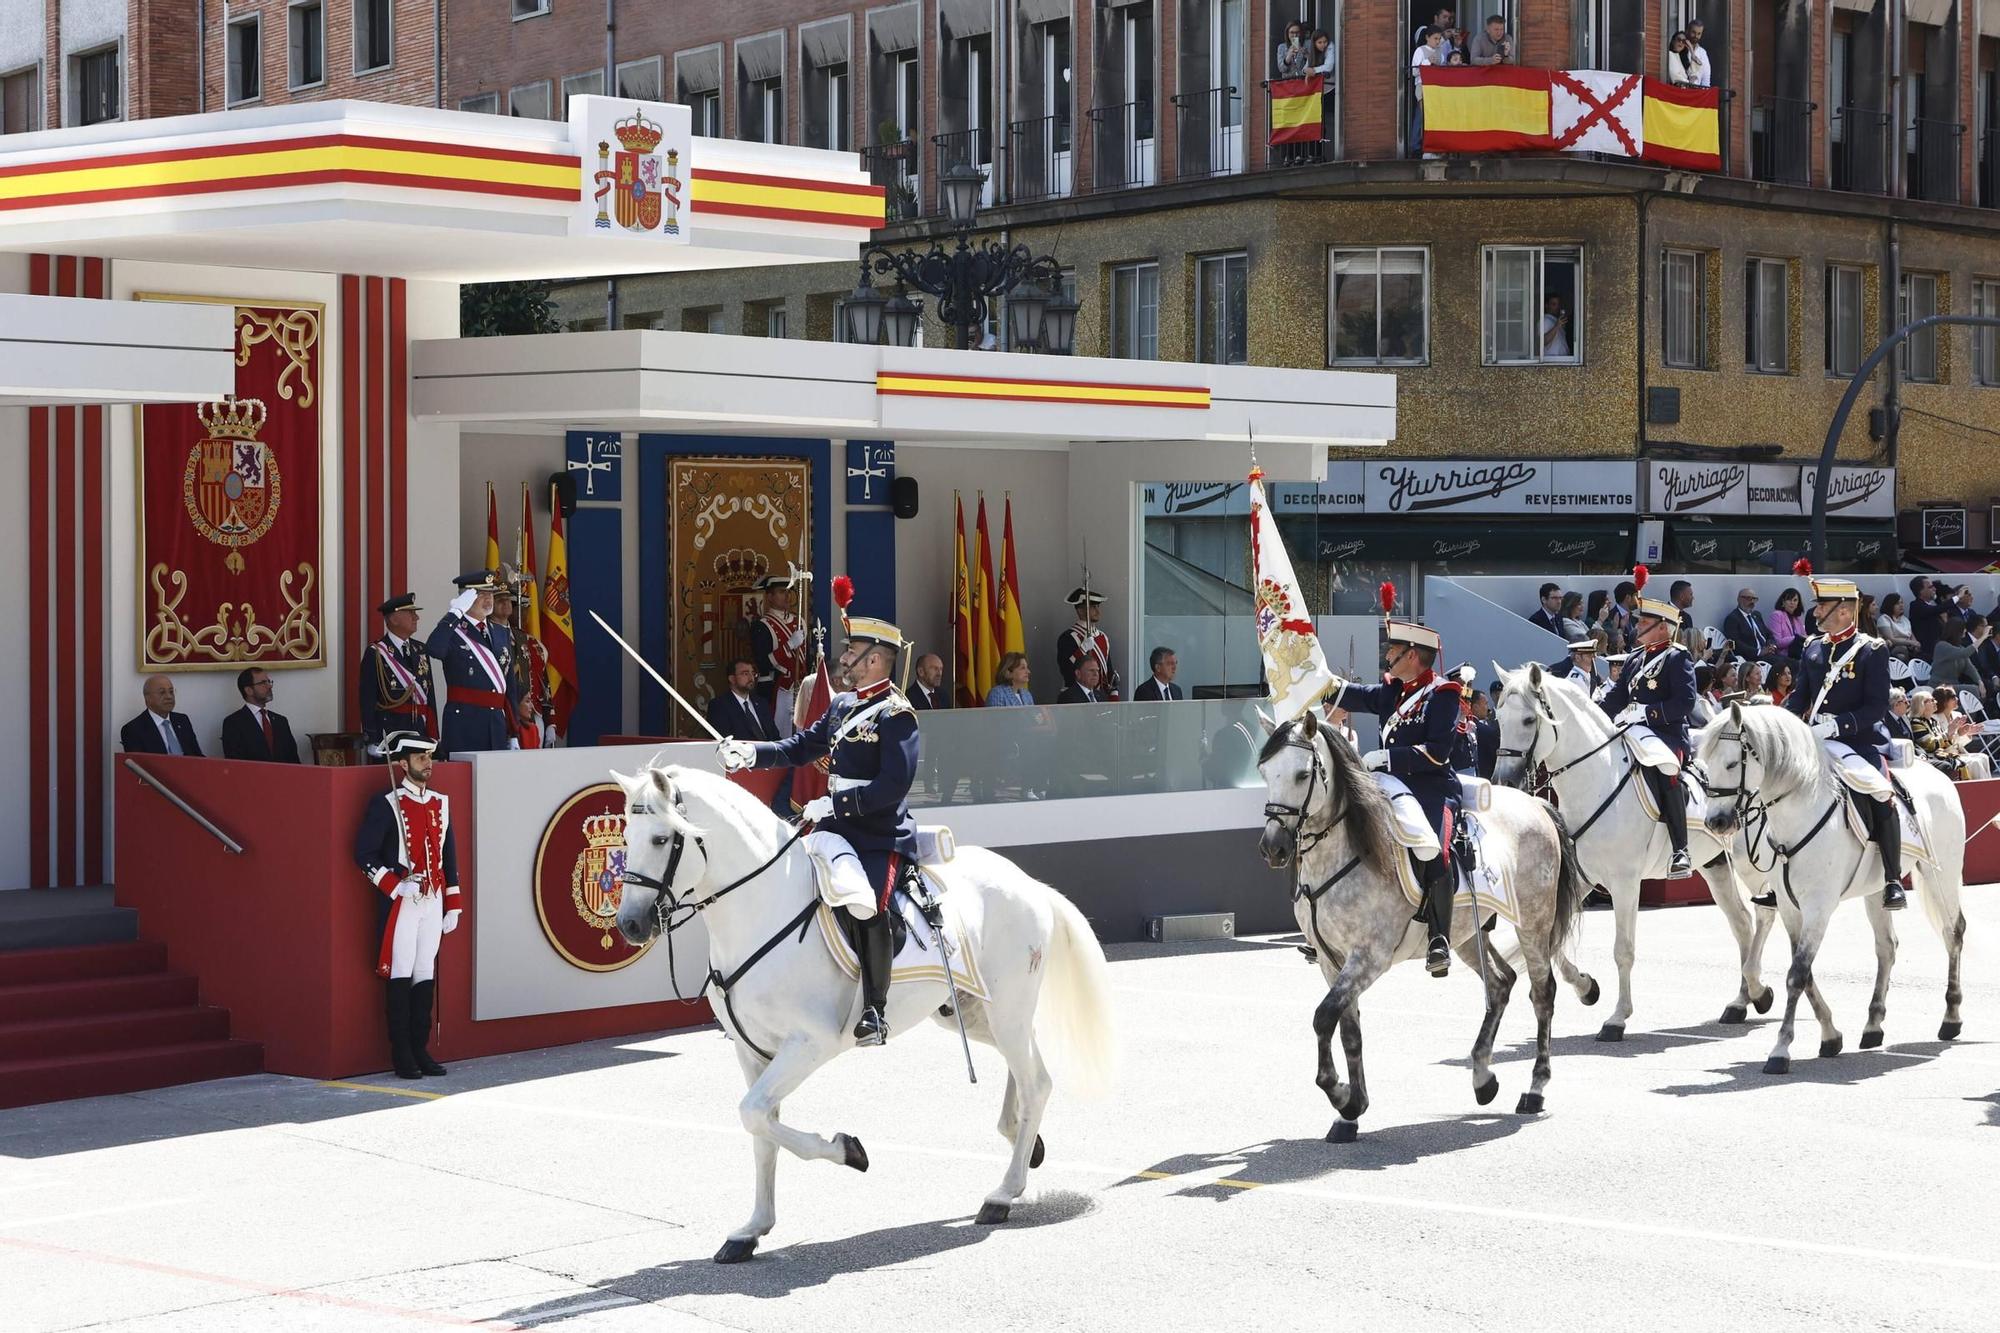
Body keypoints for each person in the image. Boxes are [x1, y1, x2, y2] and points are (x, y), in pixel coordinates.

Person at [719, 599, 918, 1048]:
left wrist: (836, 806)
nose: (844, 658)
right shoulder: (843, 705)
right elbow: (801, 747)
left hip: (875, 832)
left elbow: (893, 786)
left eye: (853, 651)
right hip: (833, 826)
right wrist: (751, 754)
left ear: (875, 659)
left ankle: (875, 1009)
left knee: (868, 903)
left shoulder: (896, 715)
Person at [1332, 613, 1462, 977]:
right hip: (1387, 785)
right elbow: (1349, 694)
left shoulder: (1444, 695)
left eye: (1393, 649)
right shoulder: (1393, 690)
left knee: (1432, 848)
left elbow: (1438, 753)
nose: (1387, 655)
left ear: (1413, 655)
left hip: (1429, 789)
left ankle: (1440, 938)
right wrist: (1306, 674)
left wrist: (1388, 756)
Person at [1787, 573, 1904, 910]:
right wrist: (1783, 724)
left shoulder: (1871, 650)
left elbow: (1876, 707)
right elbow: (1799, 698)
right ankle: (1775, 871)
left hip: (1854, 742)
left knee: (1880, 794)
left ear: (1843, 610)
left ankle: (1892, 879)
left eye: (1821, 606)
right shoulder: (1812, 646)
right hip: (1812, 740)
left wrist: (1836, 727)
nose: (1815, 612)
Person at [353, 730, 462, 1079]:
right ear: (402, 764)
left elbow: (448, 855)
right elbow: (363, 853)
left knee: (425, 973)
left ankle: (421, 1048)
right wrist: (393, 885)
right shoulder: (386, 803)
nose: (427, 763)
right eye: (419, 758)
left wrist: (454, 903)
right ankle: (402, 1054)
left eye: (429, 757)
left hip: (432, 900)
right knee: (400, 974)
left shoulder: (441, 802)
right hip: (403, 903)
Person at [1598, 577, 1695, 877]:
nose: (1637, 627)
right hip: (1631, 731)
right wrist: (1593, 716)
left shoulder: (1678, 658)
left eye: (1645, 624)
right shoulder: (1634, 658)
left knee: (1666, 770)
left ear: (1663, 628)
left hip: (1665, 735)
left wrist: (1648, 713)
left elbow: (1685, 702)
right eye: (1640, 623)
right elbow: (1616, 697)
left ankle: (1681, 849)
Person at [427, 570, 518, 755]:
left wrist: (513, 732)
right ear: (465, 598)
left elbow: (509, 685)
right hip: (465, 724)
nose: (489, 599)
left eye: (490, 593)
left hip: (496, 724)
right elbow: (434, 649)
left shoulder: (500, 632)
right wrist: (454, 613)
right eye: (481, 594)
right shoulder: (453, 630)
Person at [359, 593, 435, 754]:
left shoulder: (421, 649)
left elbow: (430, 696)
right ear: (393, 619)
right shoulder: (377, 652)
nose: (417, 617)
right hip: (390, 733)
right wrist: (371, 738)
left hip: (419, 730)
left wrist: (434, 733)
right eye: (411, 613)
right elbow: (367, 699)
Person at [494, 571, 551, 748]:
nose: (506, 604)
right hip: (502, 714)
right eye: (500, 600)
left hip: (530, 714)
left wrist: (550, 720)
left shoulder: (523, 638)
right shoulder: (487, 637)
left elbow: (541, 680)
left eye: (508, 599)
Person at [750, 571, 809, 736]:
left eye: (789, 592)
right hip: (775, 687)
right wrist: (789, 645)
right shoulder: (761, 626)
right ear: (769, 596)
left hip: (799, 687)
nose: (787, 596)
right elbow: (762, 664)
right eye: (782, 592)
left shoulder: (800, 621)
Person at [221, 666, 301, 763]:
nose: (269, 686)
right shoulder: (233, 723)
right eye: (263, 683)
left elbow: (294, 760)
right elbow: (236, 764)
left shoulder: (281, 721)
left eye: (269, 681)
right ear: (249, 690)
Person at [1055, 586, 1121, 699]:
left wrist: (1113, 693)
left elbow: (1108, 670)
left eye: (1098, 606)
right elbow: (1066, 670)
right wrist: (1082, 649)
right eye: (1093, 607)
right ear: (1080, 610)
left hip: (1100, 696)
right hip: (1076, 696)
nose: (1097, 611)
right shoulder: (1069, 637)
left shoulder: (1102, 637)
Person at [121, 675, 205, 757]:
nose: (169, 697)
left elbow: (197, 756)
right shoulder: (133, 729)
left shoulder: (182, 720)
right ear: (147, 697)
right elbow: (138, 766)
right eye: (162, 692)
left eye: (171, 691)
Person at [706, 658, 776, 741]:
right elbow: (723, 741)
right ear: (732, 679)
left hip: (770, 751)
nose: (751, 678)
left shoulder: (761, 703)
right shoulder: (719, 706)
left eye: (753, 673)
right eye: (745, 674)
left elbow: (775, 735)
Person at [1930, 616, 1986, 701]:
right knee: (1974, 690)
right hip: (1939, 685)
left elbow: (1970, 668)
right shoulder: (1941, 646)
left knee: (1982, 687)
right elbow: (1964, 653)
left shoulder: (1959, 647)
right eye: (1963, 628)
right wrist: (1983, 637)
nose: (1965, 631)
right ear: (1956, 630)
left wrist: (1980, 681)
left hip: (1953, 685)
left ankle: (1968, 713)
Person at [1409, 28, 1444, 158]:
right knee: (1421, 115)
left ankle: (1432, 145)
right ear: (1427, 38)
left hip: (1437, 87)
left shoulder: (1440, 51)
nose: (1437, 41)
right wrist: (1428, 61)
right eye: (1435, 38)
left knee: (1434, 117)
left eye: (1439, 39)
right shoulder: (1420, 51)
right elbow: (1414, 71)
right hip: (1422, 86)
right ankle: (1416, 146)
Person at [1724, 587, 1773, 661]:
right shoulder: (1732, 619)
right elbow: (1736, 643)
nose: (1752, 602)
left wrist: (1771, 645)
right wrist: (1758, 652)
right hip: (1751, 657)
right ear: (1739, 599)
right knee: (1790, 664)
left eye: (1754, 599)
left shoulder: (1756, 615)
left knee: (1791, 662)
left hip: (1767, 653)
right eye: (1749, 598)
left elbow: (1768, 634)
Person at [1908, 576, 1945, 658]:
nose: (1934, 589)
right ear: (1921, 591)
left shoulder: (1932, 606)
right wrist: (1958, 598)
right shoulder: (1916, 605)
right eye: (1930, 587)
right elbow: (1935, 610)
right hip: (1928, 652)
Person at [1769, 587, 1808, 659]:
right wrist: (1796, 638)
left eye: (1795, 600)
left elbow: (1804, 637)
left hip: (1798, 654)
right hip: (1783, 656)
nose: (1792, 602)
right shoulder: (1777, 615)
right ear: (1783, 602)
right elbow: (1777, 642)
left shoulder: (1797, 619)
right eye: (1789, 599)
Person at [1877, 592, 1919, 657]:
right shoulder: (1884, 619)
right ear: (1890, 605)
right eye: (1897, 603)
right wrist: (1910, 642)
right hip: (1894, 649)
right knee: (1901, 654)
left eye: (1901, 602)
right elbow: (1891, 639)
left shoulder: (1905, 619)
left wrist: (1915, 645)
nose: (1901, 605)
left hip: (1909, 648)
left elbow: (1912, 637)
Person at [1470, 689, 1500, 779]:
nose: (1488, 708)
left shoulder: (1458, 730)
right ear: (1475, 707)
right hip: (1486, 784)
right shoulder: (1488, 733)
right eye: (1486, 704)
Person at [1540, 294, 1571, 359]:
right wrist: (1557, 326)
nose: (1557, 307)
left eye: (1558, 304)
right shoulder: (1544, 321)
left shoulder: (1556, 320)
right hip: (1552, 360)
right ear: (1546, 306)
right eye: (1554, 304)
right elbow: (1543, 341)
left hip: (1562, 360)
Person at [1684, 19, 1711, 88]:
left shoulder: (1702, 52)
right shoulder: (1680, 47)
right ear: (1687, 31)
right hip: (1680, 90)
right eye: (1693, 32)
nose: (1696, 36)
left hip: (1696, 93)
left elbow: (1706, 78)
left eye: (1699, 34)